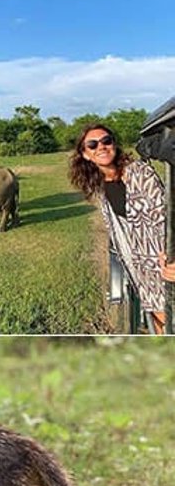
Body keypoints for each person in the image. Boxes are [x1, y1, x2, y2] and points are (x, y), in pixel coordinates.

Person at [70, 123, 175, 333]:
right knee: (159, 320)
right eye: (92, 144)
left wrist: (172, 254)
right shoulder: (99, 187)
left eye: (106, 141)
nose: (101, 146)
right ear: (86, 155)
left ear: (114, 145)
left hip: (162, 258)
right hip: (138, 264)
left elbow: (163, 215)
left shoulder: (139, 173)